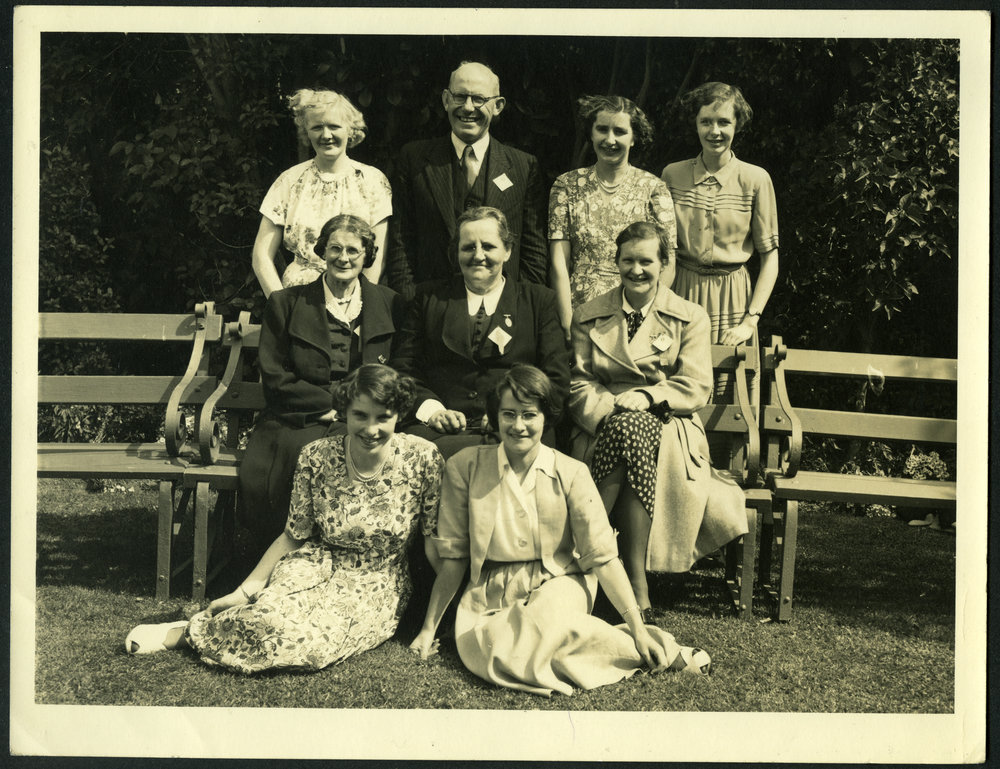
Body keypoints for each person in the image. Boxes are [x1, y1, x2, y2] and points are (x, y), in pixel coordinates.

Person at [409, 365, 711, 697]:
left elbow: (604, 558)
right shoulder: (464, 467)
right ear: (495, 418)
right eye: (508, 415)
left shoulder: (571, 472)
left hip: (562, 580)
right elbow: (453, 559)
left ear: (545, 418)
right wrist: (428, 629)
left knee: (540, 626)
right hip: (491, 589)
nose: (518, 426)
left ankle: (658, 648)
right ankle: (609, 643)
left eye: (529, 415)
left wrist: (639, 627)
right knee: (492, 647)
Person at [125, 365, 443, 674]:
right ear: (345, 411)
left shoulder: (423, 458)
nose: (370, 429)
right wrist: (245, 590)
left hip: (377, 584)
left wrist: (431, 627)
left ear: (399, 415)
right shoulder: (316, 456)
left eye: (383, 418)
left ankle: (201, 632)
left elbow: (434, 547)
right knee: (270, 613)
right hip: (316, 564)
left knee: (315, 645)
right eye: (360, 415)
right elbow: (293, 536)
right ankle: (187, 631)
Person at [567, 221, 747, 611]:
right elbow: (579, 383)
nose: (637, 270)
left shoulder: (689, 316)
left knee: (636, 428)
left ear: (664, 265)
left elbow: (697, 384)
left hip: (670, 424)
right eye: (628, 260)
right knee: (628, 428)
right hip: (603, 422)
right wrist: (613, 409)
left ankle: (596, 563)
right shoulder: (588, 315)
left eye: (646, 261)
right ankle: (634, 582)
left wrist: (648, 396)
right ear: (616, 262)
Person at [240, 214, 410, 555]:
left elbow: (401, 369)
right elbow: (275, 376)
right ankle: (273, 563)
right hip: (301, 414)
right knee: (284, 468)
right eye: (335, 248)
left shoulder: (392, 304)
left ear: (367, 256)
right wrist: (329, 407)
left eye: (353, 250)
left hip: (368, 419)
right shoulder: (287, 303)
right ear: (322, 252)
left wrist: (361, 412)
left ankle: (354, 558)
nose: (343, 258)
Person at [397, 206, 569, 459]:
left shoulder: (538, 302)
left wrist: (511, 413)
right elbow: (403, 369)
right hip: (437, 433)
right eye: (468, 247)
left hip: (515, 431)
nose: (478, 256)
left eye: (488, 246)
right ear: (457, 253)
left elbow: (556, 380)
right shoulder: (428, 299)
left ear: (507, 251)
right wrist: (431, 410)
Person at [383, 61, 548, 298]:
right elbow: (401, 241)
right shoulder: (414, 159)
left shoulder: (523, 166)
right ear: (446, 100)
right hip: (431, 308)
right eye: (460, 97)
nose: (468, 108)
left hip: (503, 310)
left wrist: (521, 306)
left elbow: (534, 251)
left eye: (479, 99)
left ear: (498, 105)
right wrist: (410, 302)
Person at [660, 82, 779, 398]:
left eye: (724, 122)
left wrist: (749, 322)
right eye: (706, 122)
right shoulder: (672, 175)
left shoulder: (755, 179)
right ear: (696, 124)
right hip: (682, 291)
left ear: (737, 125)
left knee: (731, 395)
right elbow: (661, 250)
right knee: (679, 386)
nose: (715, 131)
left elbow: (770, 259)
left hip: (733, 298)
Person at [549, 94, 676, 340]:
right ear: (591, 133)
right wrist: (567, 320)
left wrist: (647, 315)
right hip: (581, 309)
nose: (610, 139)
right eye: (602, 130)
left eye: (619, 131)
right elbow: (559, 262)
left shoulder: (654, 188)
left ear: (634, 138)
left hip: (637, 307)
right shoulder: (566, 186)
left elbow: (668, 261)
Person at [252, 88, 393, 295]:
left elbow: (377, 255)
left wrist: (363, 303)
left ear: (350, 129)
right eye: (317, 127)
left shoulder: (373, 181)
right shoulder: (289, 181)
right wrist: (280, 304)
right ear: (306, 131)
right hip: (298, 297)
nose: (326, 135)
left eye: (334, 126)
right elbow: (261, 254)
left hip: (354, 296)